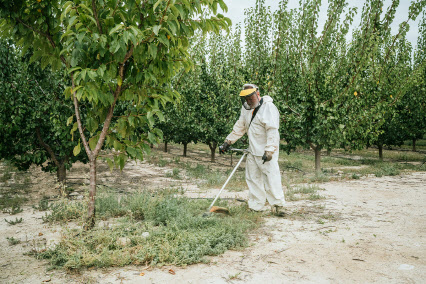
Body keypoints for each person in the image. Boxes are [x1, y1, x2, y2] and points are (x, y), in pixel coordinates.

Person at [220, 84, 286, 216]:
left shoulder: (268, 107)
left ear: (258, 94)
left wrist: (269, 150)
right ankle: (256, 205)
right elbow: (240, 126)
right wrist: (228, 141)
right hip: (252, 150)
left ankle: (278, 206)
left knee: (271, 177)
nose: (249, 101)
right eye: (246, 98)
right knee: (253, 178)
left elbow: (272, 130)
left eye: (251, 97)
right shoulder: (246, 109)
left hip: (267, 151)